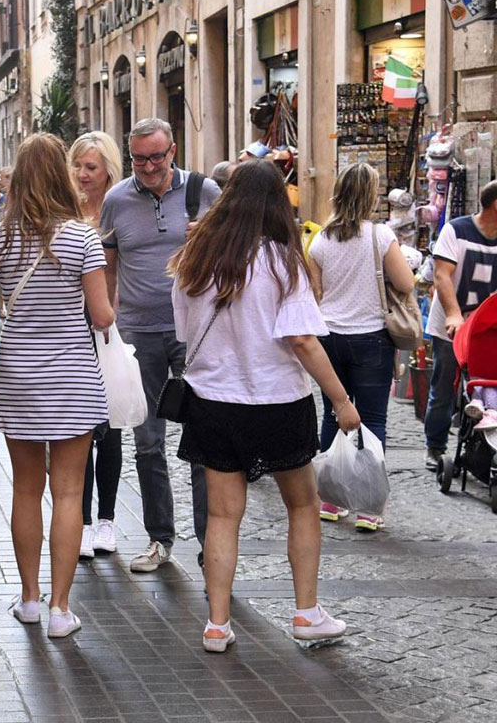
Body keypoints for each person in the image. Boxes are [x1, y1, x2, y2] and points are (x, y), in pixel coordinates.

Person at [169, 160, 359, 652]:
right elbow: (303, 340)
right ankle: (306, 612)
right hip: (277, 401)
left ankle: (216, 624)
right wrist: (340, 399)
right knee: (304, 505)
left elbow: (184, 332)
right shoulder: (282, 261)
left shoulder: (194, 258)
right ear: (277, 204)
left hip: (213, 402)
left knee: (222, 516)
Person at [0, 133, 115, 639]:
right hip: (72, 376)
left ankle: (29, 599)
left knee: (26, 489)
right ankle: (60, 610)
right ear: (63, 176)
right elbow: (102, 316)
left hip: (20, 374)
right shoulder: (82, 239)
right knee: (69, 492)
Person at [99, 117, 220, 573]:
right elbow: (108, 266)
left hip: (196, 332)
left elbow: (236, 253)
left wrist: (208, 240)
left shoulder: (204, 192)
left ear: (173, 151)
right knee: (147, 442)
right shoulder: (116, 200)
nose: (148, 167)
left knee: (204, 442)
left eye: (156, 157)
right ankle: (159, 539)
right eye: (139, 159)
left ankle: (212, 545)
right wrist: (106, 323)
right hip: (138, 334)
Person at [307, 163, 416, 530]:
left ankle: (330, 500)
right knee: (373, 420)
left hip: (329, 338)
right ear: (370, 196)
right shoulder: (380, 236)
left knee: (333, 415)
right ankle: (369, 509)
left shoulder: (321, 240)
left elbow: (317, 292)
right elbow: (406, 283)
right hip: (371, 338)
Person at [70, 131, 125, 559]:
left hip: (110, 327)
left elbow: (122, 272)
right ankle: (83, 522)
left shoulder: (120, 209)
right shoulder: (65, 212)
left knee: (111, 428)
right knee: (78, 430)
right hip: (72, 330)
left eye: (91, 166)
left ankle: (106, 519)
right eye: (77, 165)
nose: (83, 174)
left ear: (108, 169)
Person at [423, 179, 497, 469]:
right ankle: (435, 447)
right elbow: (442, 275)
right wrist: (454, 314)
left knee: (488, 386)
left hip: (487, 330)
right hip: (451, 326)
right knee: (444, 385)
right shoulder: (456, 230)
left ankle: (485, 447)